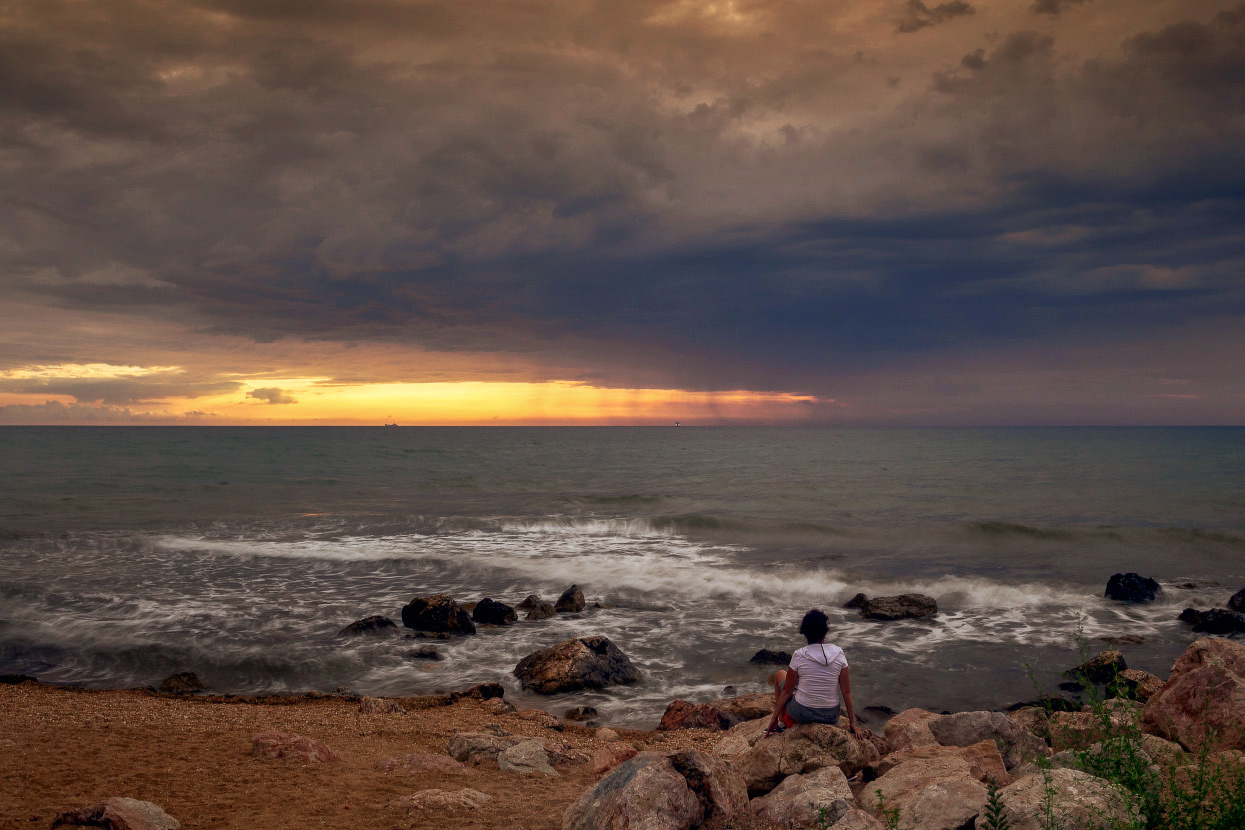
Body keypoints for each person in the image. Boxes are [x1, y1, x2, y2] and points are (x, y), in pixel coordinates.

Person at [765, 608, 862, 737]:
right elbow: (846, 692)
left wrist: (773, 718)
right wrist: (853, 723)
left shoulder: (799, 655)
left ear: (804, 633)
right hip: (831, 716)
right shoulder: (839, 653)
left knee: (779, 675)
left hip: (802, 713)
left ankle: (781, 722)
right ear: (825, 632)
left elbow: (787, 692)